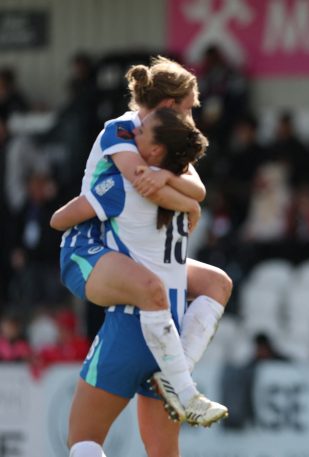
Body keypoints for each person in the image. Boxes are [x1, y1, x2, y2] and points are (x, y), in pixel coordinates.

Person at [55, 56, 231, 428]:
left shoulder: (165, 139)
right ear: (168, 105)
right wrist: (185, 203)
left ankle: (174, 373)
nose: (191, 118)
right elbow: (139, 184)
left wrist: (172, 183)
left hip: (133, 252)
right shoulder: (124, 132)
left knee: (217, 284)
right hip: (91, 246)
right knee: (152, 290)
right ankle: (185, 389)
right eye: (188, 109)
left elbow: (196, 188)